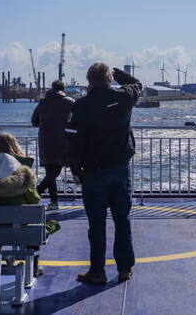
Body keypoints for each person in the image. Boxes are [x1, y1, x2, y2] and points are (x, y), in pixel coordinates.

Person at [66, 63, 142, 283]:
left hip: (93, 172)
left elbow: (73, 140)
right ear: (109, 79)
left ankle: (97, 271)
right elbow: (137, 84)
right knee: (122, 220)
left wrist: (75, 168)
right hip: (120, 170)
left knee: (96, 224)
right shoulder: (125, 97)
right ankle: (124, 268)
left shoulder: (81, 106)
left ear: (89, 81)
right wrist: (118, 73)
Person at [0, 133, 60, 278]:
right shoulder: (20, 170)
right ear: (15, 146)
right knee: (33, 221)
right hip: (18, 228)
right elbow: (34, 200)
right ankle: (34, 266)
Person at [32, 80, 75, 210]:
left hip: (46, 140)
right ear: (64, 89)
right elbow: (76, 119)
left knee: (51, 172)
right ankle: (43, 195)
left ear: (52, 88)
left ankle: (42, 195)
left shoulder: (43, 102)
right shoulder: (70, 102)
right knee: (55, 172)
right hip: (64, 140)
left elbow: (34, 121)